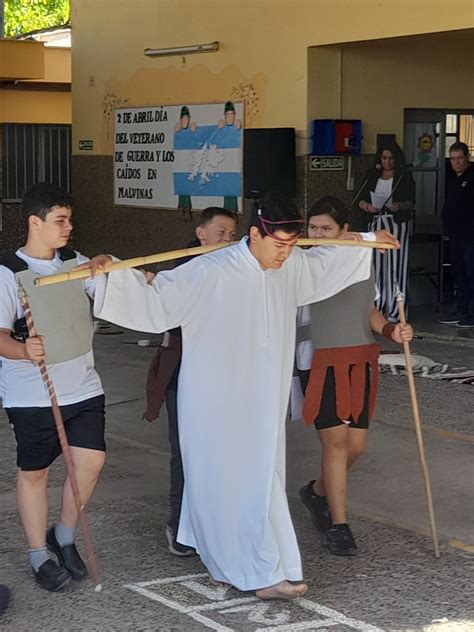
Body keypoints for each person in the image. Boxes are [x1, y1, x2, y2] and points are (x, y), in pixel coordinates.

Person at [84, 192, 397, 600]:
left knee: (258, 478)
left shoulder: (293, 264)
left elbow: (329, 261)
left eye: (291, 244)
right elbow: (156, 300)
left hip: (261, 399)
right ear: (255, 234)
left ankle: (254, 566)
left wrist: (371, 240)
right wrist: (105, 276)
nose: (285, 254)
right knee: (219, 481)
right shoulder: (209, 270)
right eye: (278, 245)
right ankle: (243, 568)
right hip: (212, 400)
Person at [0, 182, 106, 592]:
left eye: (70, 220)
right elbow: (1, 336)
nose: (68, 228)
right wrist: (24, 350)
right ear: (34, 222)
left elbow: (110, 288)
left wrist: (107, 266)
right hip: (32, 395)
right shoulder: (9, 273)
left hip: (83, 387)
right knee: (35, 473)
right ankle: (37, 555)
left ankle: (62, 536)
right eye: (60, 221)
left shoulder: (74, 263)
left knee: (90, 464)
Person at [295, 197, 413, 556]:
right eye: (313, 228)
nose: (318, 235)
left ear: (343, 230)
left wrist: (391, 330)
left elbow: (367, 307)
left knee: (356, 446)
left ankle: (316, 492)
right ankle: (339, 525)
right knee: (335, 443)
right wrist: (368, 236)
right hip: (319, 360)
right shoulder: (303, 264)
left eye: (326, 229)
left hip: (359, 357)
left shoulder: (359, 258)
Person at [143, 207, 237, 557]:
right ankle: (179, 524)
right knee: (186, 453)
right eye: (220, 232)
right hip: (183, 373)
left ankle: (216, 525)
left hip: (225, 376)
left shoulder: (237, 272)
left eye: (231, 233)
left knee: (221, 454)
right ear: (201, 233)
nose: (227, 238)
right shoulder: (181, 272)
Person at [358, 141, 415, 322]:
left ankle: (396, 309)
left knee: (396, 266)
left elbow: (411, 202)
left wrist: (398, 206)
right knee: (377, 267)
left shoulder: (403, 177)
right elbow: (360, 199)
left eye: (391, 158)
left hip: (396, 224)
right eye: (384, 158)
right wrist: (367, 207)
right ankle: (378, 308)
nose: (387, 162)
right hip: (376, 222)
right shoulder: (372, 176)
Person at [439, 142, 474, 328]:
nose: (456, 162)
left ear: (467, 157)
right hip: (455, 235)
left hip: (470, 235)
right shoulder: (452, 178)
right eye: (453, 158)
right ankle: (461, 309)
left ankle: (471, 312)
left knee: (471, 272)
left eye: (460, 158)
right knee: (458, 273)